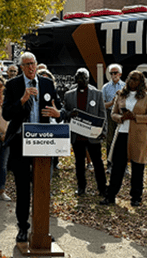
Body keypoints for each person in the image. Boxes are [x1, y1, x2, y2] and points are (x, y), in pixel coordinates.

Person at [2, 52, 61, 243]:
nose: (30, 67)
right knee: (23, 188)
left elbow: (59, 108)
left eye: (33, 63)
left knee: (42, 187)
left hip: (44, 141)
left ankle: (41, 228)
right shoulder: (13, 85)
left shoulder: (47, 83)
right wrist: (22, 99)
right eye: (26, 64)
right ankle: (23, 227)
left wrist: (57, 113)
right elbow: (6, 114)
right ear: (21, 67)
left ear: (36, 65)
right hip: (20, 142)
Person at [100, 70, 147, 207]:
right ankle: (110, 196)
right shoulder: (121, 95)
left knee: (137, 167)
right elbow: (113, 114)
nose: (132, 81)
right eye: (130, 78)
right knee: (117, 167)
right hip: (122, 134)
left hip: (139, 136)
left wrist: (135, 117)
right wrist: (121, 118)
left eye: (136, 79)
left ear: (141, 82)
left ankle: (136, 197)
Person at [61, 68, 108, 197]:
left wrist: (103, 131)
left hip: (93, 135)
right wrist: (71, 114)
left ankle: (102, 188)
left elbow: (102, 114)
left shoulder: (97, 94)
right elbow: (64, 112)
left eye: (84, 78)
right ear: (75, 79)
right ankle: (81, 187)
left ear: (88, 79)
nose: (81, 80)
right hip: (77, 136)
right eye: (79, 78)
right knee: (79, 163)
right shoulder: (68, 95)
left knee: (97, 162)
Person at [101, 63, 124, 173]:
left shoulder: (125, 86)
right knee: (110, 140)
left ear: (120, 74)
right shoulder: (105, 87)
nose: (113, 75)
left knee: (123, 140)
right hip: (110, 116)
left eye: (115, 73)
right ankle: (109, 164)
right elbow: (102, 105)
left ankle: (124, 166)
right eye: (111, 73)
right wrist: (112, 102)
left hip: (122, 116)